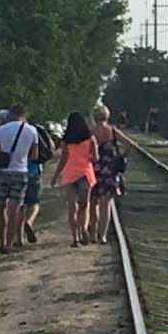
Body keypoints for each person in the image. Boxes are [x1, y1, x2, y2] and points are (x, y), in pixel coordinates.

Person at [0, 104, 38, 254]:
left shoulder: (1, 130)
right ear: (25, 114)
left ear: (10, 114)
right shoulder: (31, 131)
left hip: (3, 172)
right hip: (21, 172)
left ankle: (2, 242)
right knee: (14, 210)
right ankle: (9, 245)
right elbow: (35, 156)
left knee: (0, 208)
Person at [51, 112, 97, 247]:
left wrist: (55, 176)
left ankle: (75, 239)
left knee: (73, 208)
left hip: (70, 175)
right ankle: (83, 228)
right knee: (84, 206)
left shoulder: (67, 141)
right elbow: (95, 158)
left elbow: (63, 159)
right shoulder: (90, 139)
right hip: (85, 174)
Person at [88, 103, 124, 245]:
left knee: (93, 203)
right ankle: (102, 236)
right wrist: (121, 158)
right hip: (109, 171)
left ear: (95, 117)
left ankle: (93, 236)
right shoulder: (113, 131)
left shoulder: (90, 133)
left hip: (93, 170)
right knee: (106, 205)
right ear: (107, 116)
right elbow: (130, 145)